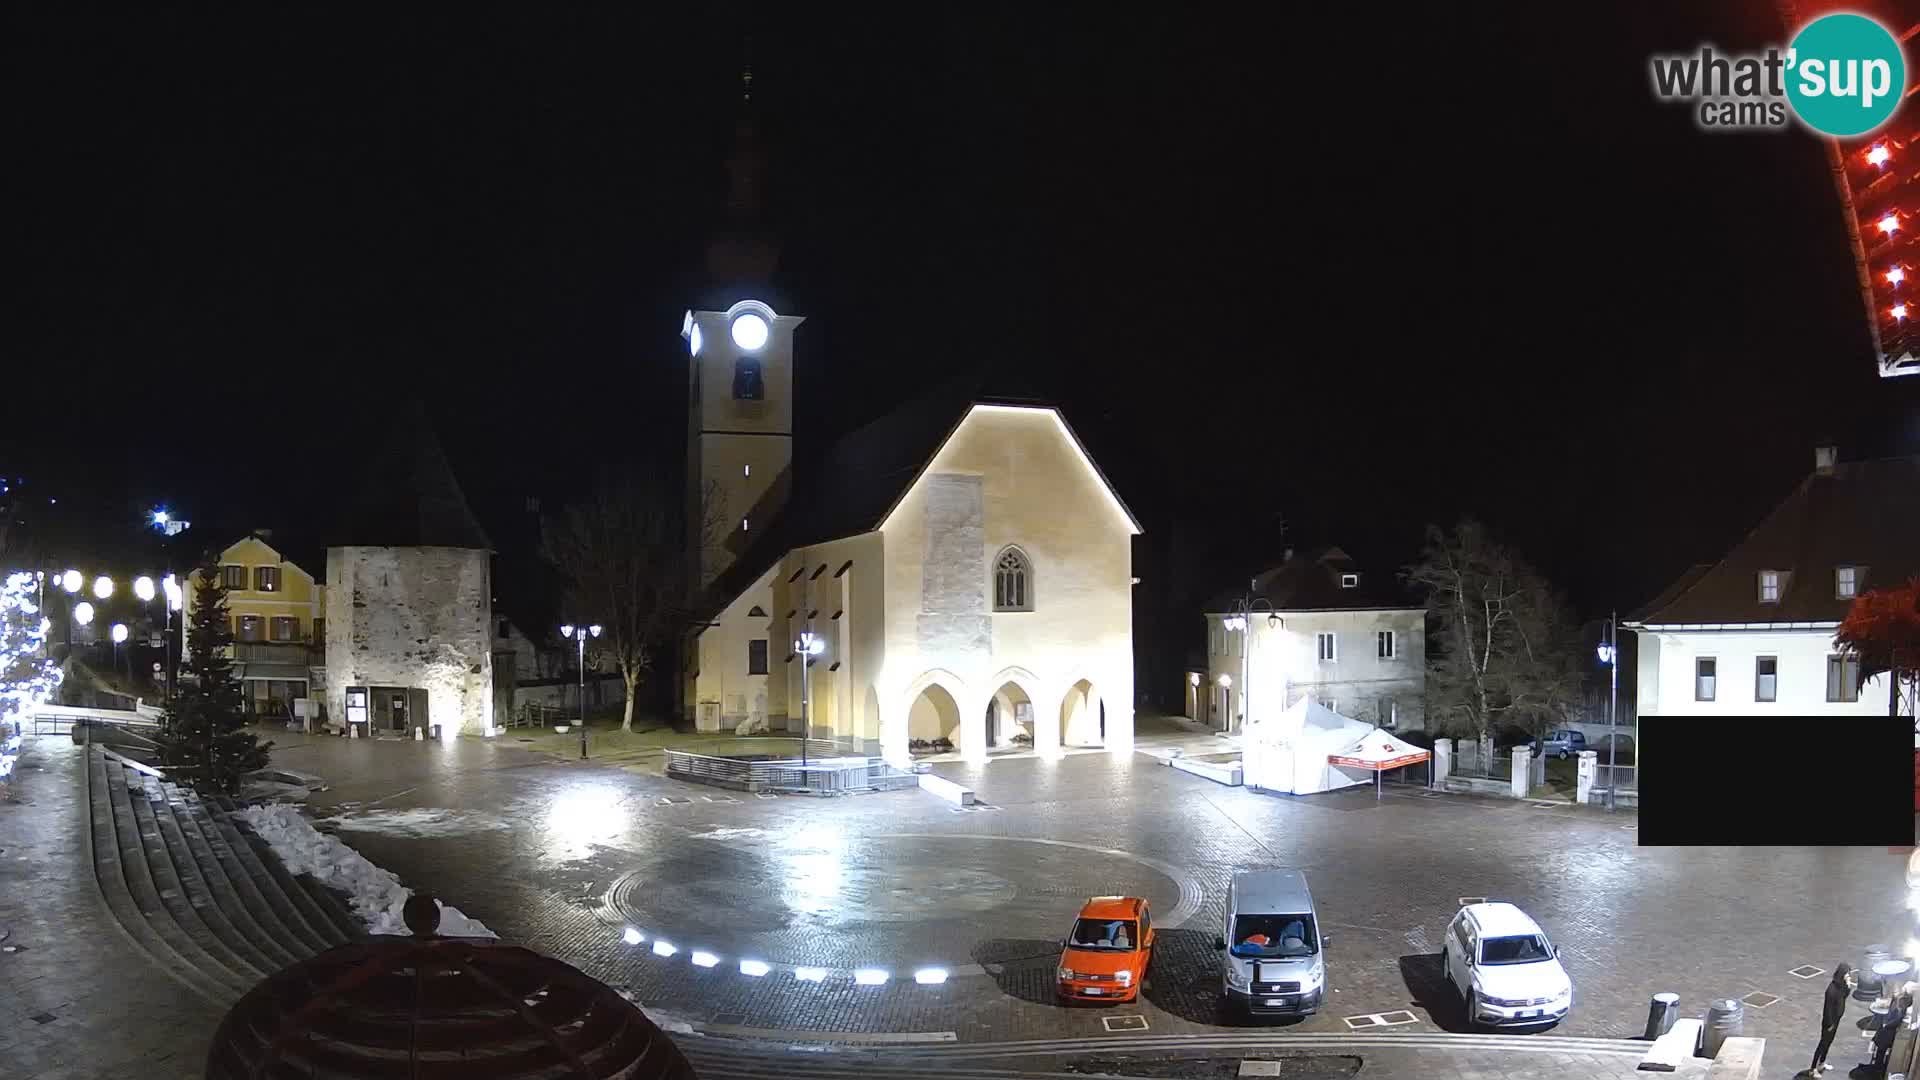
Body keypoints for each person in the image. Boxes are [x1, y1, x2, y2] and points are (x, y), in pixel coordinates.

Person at [1812, 963, 1854, 1075]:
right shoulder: (1831, 990)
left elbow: (1845, 996)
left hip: (1836, 1020)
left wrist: (1848, 985)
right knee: (1823, 1043)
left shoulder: (1842, 986)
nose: (1848, 976)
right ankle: (1813, 1068)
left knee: (1829, 1043)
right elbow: (1827, 1009)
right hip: (1829, 1022)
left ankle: (1822, 1062)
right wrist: (1830, 1024)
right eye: (1846, 974)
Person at [1870, 989, 1909, 1075]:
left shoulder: (1900, 1005)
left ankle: (1878, 1067)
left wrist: (1886, 1025)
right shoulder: (1894, 1001)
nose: (1894, 992)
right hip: (1886, 1029)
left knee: (1881, 1047)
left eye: (1896, 991)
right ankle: (1877, 1065)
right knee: (1880, 1043)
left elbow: (1898, 1019)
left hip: (1889, 1032)